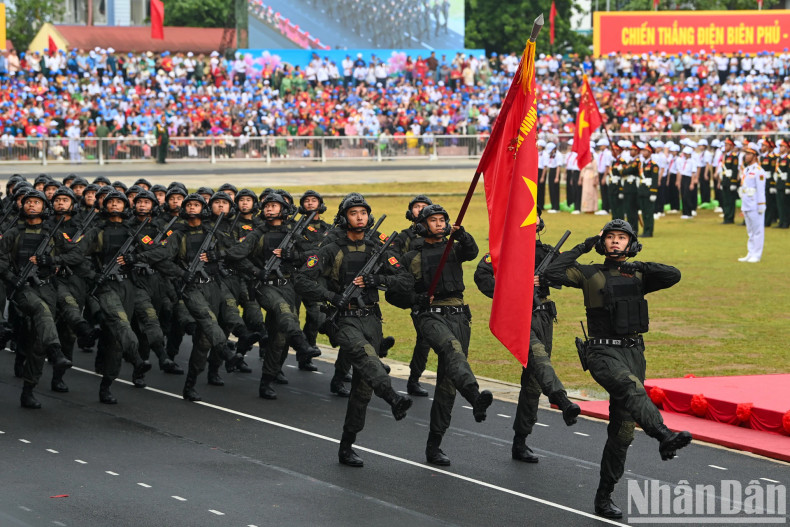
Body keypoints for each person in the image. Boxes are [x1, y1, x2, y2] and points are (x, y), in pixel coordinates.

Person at [545, 219, 692, 519]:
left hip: (634, 353)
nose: (615, 242)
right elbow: (552, 271)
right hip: (602, 351)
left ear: (629, 244)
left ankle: (604, 496)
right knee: (630, 387)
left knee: (623, 432)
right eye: (610, 237)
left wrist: (637, 265)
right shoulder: (589, 273)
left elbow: (673, 274)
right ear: (603, 242)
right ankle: (663, 434)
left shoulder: (638, 274)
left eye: (621, 238)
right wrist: (587, 243)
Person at [295, 194, 414, 467]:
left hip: (371, 319)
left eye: (363, 212)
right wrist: (330, 296)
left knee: (362, 390)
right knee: (366, 357)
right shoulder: (330, 248)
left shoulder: (377, 248)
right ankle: (393, 397)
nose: (359, 217)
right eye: (353, 213)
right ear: (344, 217)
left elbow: (405, 280)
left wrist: (376, 279)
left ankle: (347, 445)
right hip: (344, 319)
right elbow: (302, 279)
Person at [474, 209, 580, 464]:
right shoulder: (504, 250)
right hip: (519, 316)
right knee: (540, 361)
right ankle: (562, 400)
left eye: (535, 220)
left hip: (543, 316)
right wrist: (512, 288)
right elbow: (482, 276)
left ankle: (521, 440)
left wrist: (545, 276)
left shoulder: (547, 252)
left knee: (533, 381)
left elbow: (571, 274)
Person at [396, 204, 493, 465]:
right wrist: (415, 298)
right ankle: (474, 395)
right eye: (433, 220)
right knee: (452, 350)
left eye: (442, 220)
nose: (439, 224)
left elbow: (472, 252)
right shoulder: (411, 258)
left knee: (448, 383)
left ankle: (434, 445)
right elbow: (394, 293)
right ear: (422, 225)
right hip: (430, 315)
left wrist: (462, 234)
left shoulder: (454, 248)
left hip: (459, 314)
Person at [0, 190, 73, 408]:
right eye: (28, 202)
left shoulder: (54, 234)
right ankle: (56, 350)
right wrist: (12, 277)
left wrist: (51, 260)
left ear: (44, 207)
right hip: (22, 289)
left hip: (47, 287)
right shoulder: (13, 233)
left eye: (37, 202)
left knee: (39, 339)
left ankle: (29, 389)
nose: (32, 206)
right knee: (41, 312)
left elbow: (76, 254)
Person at [392, 194, 432, 396]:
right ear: (411, 212)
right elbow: (394, 263)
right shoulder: (403, 237)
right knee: (424, 338)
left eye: (424, 206)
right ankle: (414, 380)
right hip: (414, 293)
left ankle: (414, 379)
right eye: (417, 206)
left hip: (434, 293)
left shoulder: (438, 235)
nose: (420, 209)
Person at [738, 143, 767, 263]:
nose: (746, 156)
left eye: (749, 154)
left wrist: (761, 205)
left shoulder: (759, 171)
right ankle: (750, 253)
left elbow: (760, 190)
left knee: (758, 230)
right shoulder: (746, 169)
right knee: (750, 231)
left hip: (755, 204)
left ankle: (757, 254)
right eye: (746, 153)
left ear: (755, 156)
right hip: (746, 203)